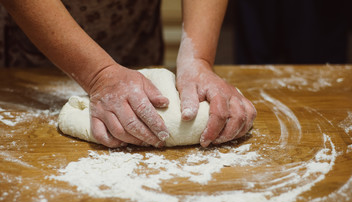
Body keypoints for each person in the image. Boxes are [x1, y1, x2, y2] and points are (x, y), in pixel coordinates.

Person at [0, 0, 256, 148]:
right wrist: (99, 74)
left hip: (131, 27)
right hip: (32, 42)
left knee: (140, 105)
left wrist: (197, 58)